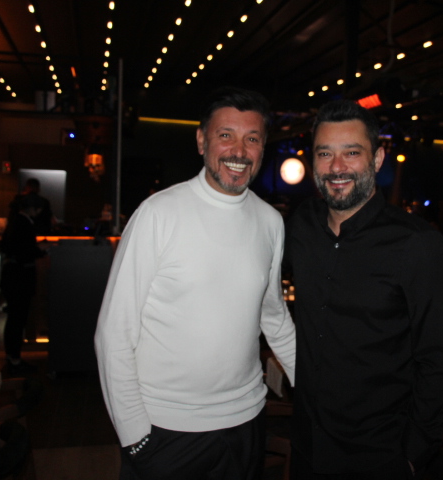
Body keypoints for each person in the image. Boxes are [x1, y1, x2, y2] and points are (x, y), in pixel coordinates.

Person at [94, 87, 296, 480]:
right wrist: (135, 435)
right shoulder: (158, 214)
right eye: (226, 135)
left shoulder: (271, 222)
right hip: (166, 432)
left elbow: (275, 318)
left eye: (252, 139)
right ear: (202, 141)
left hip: (247, 423)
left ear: (262, 149)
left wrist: (316, 391)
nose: (239, 151)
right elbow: (113, 333)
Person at [285, 99, 443, 479]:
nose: (336, 167)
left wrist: (413, 454)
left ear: (377, 159)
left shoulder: (417, 245)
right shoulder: (301, 226)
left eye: (352, 153)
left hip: (379, 455)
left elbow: (439, 360)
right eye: (325, 153)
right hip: (307, 447)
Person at [0, 192, 46, 374]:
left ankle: (13, 357)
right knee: (17, 319)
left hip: (12, 277)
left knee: (15, 318)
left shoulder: (17, 220)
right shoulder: (23, 223)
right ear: (33, 208)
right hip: (19, 278)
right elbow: (25, 251)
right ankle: (14, 359)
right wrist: (42, 251)